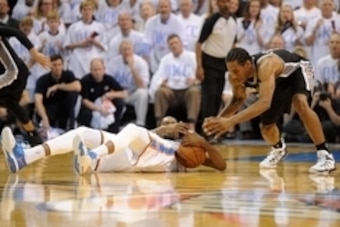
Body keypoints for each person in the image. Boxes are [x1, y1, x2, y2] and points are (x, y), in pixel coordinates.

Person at [203, 48, 336, 173]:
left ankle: (325, 155)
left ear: (248, 65)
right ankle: (279, 149)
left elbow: (265, 103)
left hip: (297, 71)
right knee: (266, 127)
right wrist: (218, 120)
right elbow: (237, 100)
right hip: (277, 81)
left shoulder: (265, 66)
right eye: (230, 71)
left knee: (300, 103)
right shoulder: (234, 77)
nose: (233, 75)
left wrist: (230, 122)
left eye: (236, 71)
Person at [1, 118, 226, 174]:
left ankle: (89, 156)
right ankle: (23, 158)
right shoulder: (158, 140)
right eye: (165, 123)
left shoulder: (186, 150)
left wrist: (203, 142)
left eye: (171, 123)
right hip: (127, 157)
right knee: (81, 132)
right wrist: (158, 130)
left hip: (139, 159)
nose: (169, 126)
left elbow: (222, 165)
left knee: (134, 129)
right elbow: (132, 139)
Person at [0, 24, 51, 146]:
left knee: (9, 103)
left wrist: (35, 54)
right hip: (12, 75)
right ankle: (35, 138)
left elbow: (17, 32)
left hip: (14, 74)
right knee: (10, 104)